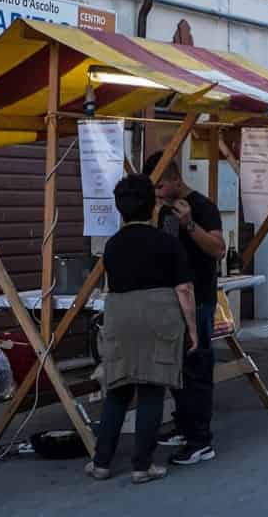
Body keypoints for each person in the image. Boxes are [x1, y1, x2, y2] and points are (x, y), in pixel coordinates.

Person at [86, 174, 198, 484]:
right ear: (152, 207)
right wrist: (193, 329)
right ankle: (141, 466)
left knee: (118, 389)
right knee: (151, 388)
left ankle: (101, 463)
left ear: (120, 209)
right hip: (158, 313)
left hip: (119, 314)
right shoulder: (166, 242)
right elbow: (184, 288)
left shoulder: (112, 245)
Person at [147, 152, 224, 466]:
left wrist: (189, 223)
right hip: (172, 299)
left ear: (177, 179)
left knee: (197, 366)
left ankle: (200, 440)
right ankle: (183, 424)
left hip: (200, 297)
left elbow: (218, 250)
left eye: (161, 185)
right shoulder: (162, 210)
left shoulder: (204, 207)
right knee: (177, 367)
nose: (158, 192)